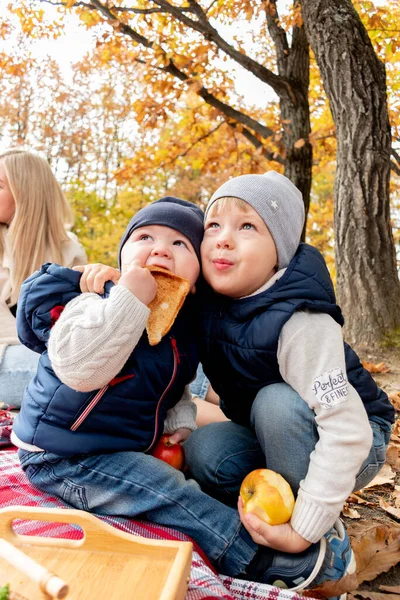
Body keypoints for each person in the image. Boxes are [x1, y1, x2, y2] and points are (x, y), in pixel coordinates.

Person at [183, 171, 394, 587]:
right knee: (206, 449)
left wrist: (304, 528)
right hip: (271, 431)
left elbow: (346, 430)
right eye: (213, 225)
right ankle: (264, 518)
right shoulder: (208, 302)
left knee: (276, 402)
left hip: (356, 435)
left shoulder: (301, 321)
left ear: (279, 250)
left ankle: (318, 540)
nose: (223, 238)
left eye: (247, 226)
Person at [0, 148, 86, 407]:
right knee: (77, 372)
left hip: (55, 355)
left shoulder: (68, 248)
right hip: (7, 358)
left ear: (24, 193)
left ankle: (209, 403)